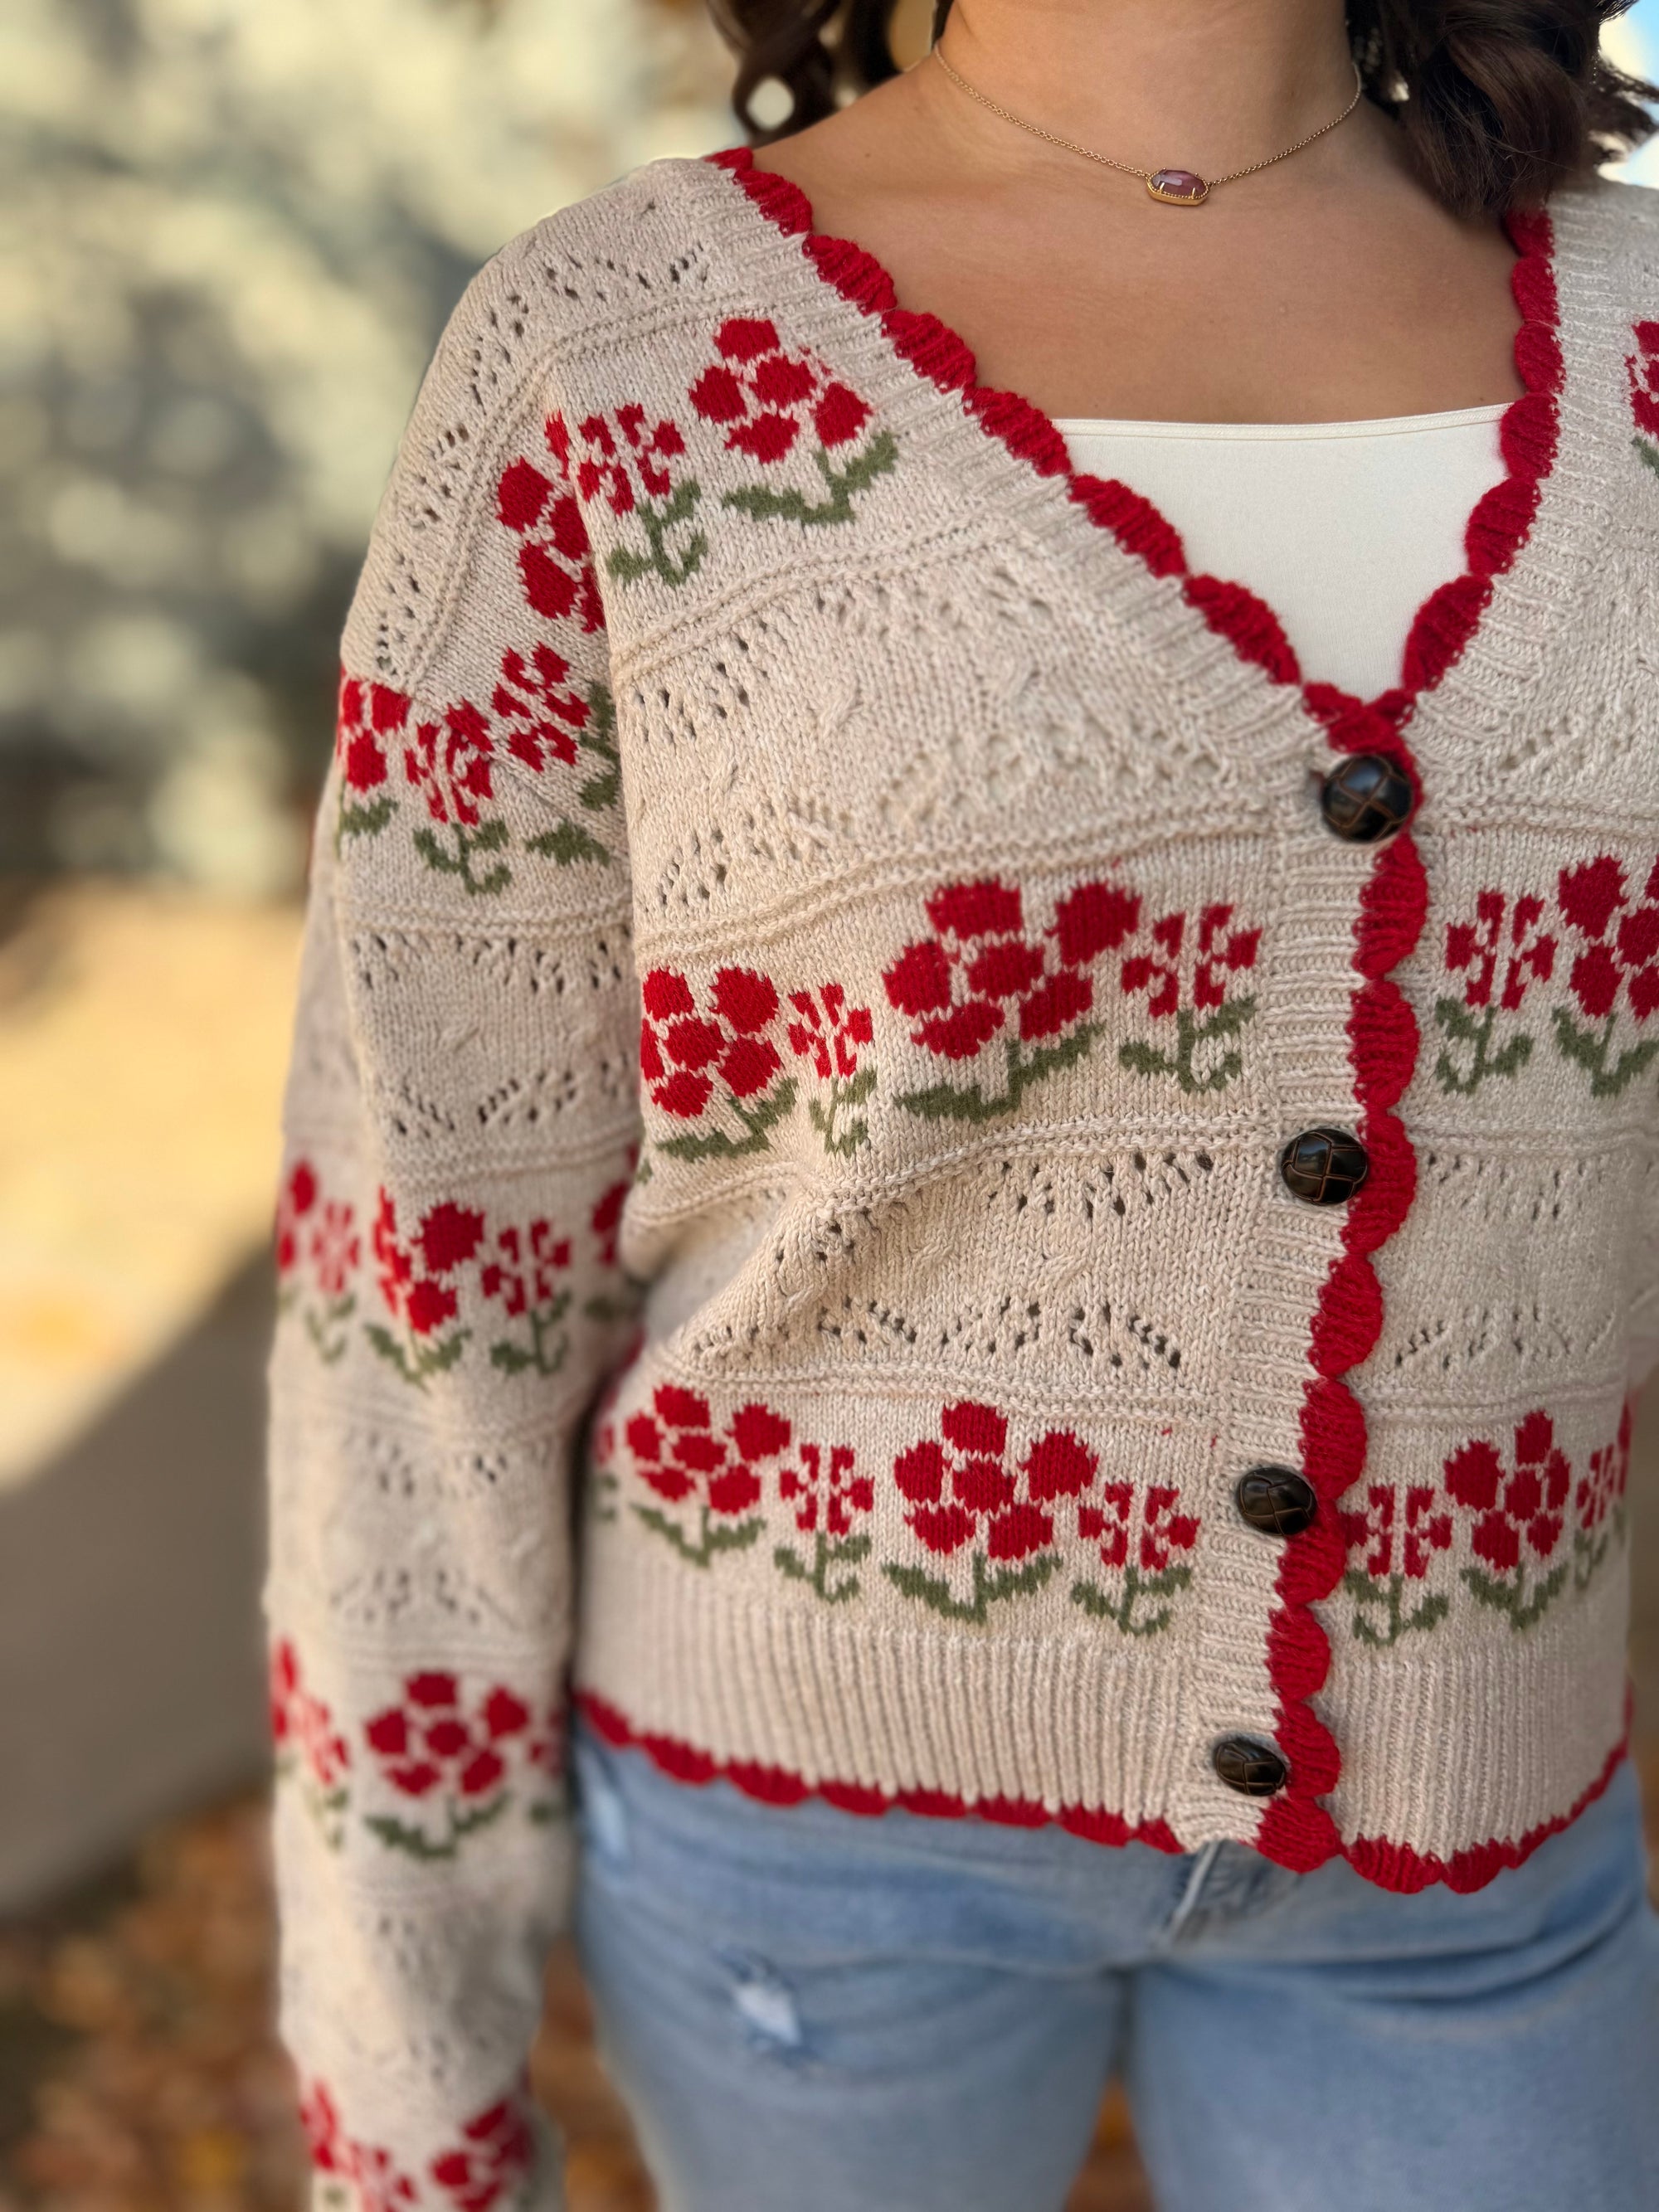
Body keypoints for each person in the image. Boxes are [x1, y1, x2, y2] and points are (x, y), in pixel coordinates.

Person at [265, 2, 1659, 2206]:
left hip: (1481, 1821)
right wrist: (407, 2069)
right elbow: (431, 1245)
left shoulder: (1638, 329)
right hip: (810, 1840)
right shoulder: (617, 353)